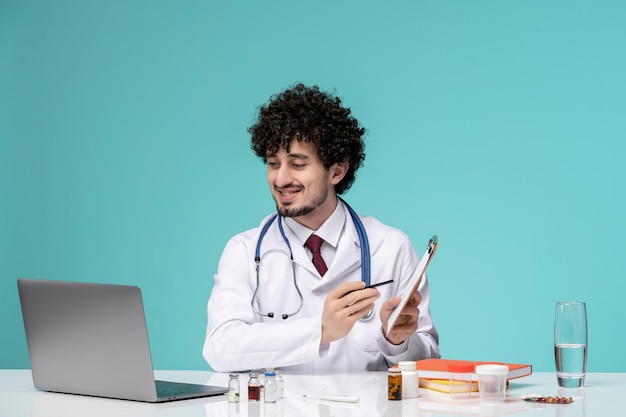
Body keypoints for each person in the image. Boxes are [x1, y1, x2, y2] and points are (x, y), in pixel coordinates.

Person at [203, 83, 440, 373]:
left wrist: (398, 343)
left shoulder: (390, 247)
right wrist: (320, 330)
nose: (280, 179)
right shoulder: (244, 251)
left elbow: (429, 363)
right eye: (273, 163)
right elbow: (221, 349)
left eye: (298, 164)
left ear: (337, 171)